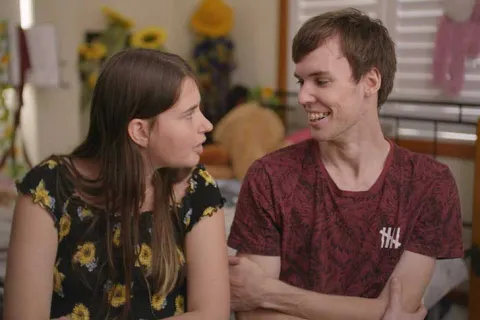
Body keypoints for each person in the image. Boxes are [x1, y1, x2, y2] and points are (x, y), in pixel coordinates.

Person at [227, 8, 463, 320]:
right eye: (301, 81)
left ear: (371, 81)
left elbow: (398, 308)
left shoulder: (430, 183)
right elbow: (255, 313)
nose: (303, 96)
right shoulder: (269, 176)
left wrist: (274, 293)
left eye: (321, 81)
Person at [3, 48, 230, 320]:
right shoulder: (48, 188)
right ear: (140, 131)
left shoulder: (197, 188)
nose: (206, 124)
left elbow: (212, 314)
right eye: (189, 114)